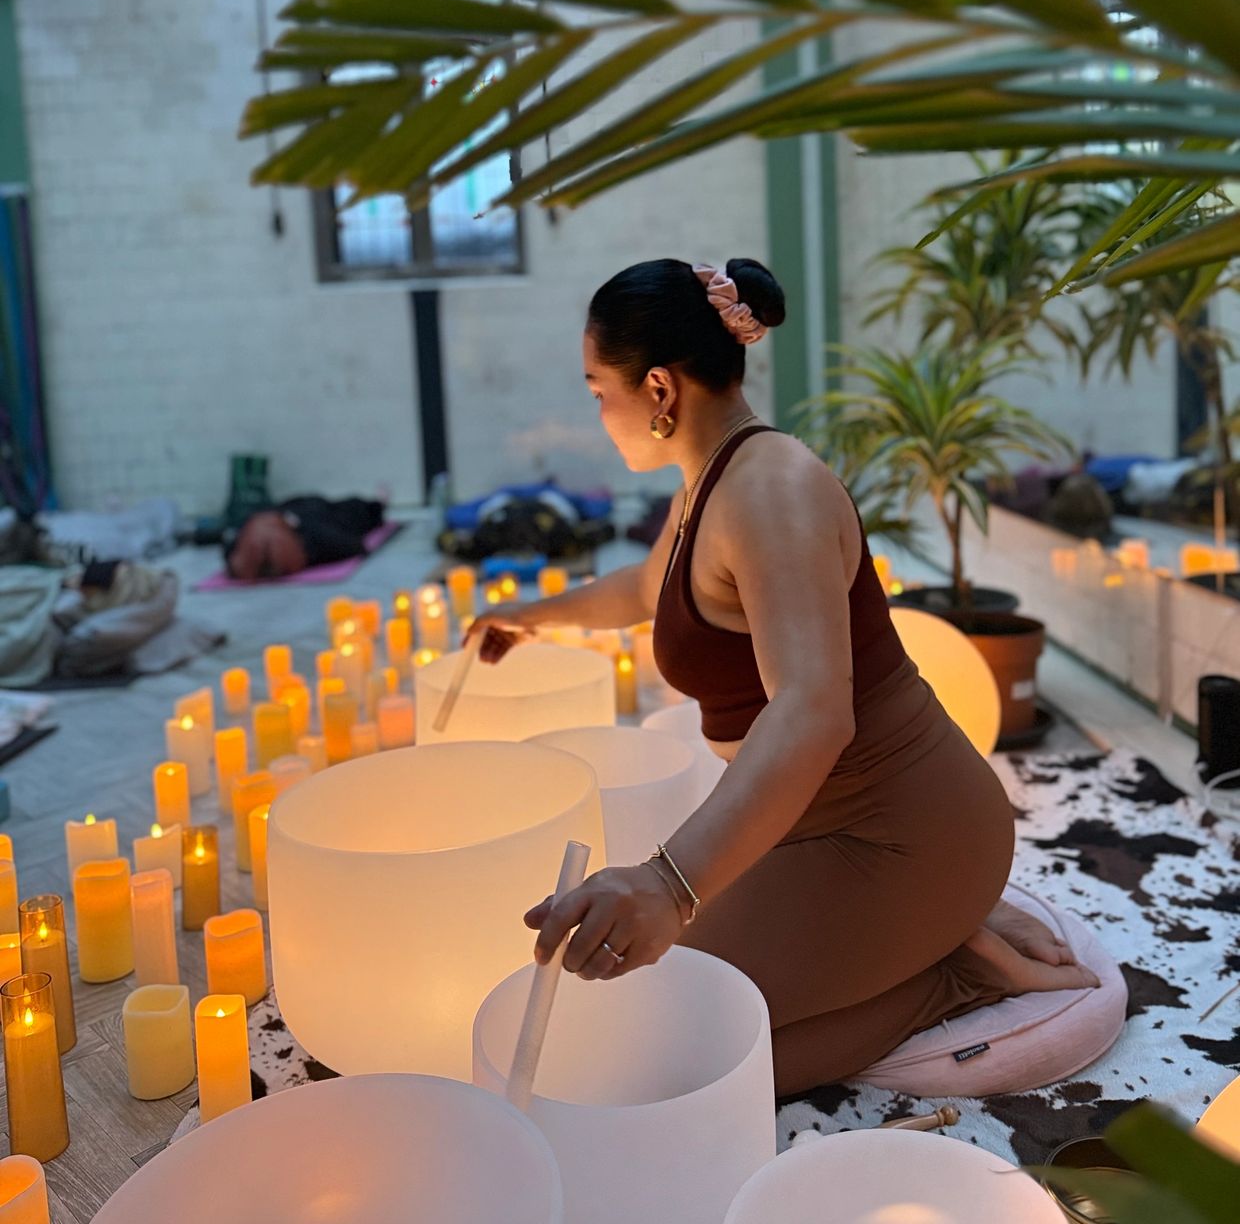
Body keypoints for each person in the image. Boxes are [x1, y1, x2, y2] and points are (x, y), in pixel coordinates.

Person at [473, 258, 1098, 1097]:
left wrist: (666, 884)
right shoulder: (708, 482)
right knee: (645, 1023)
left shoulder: (773, 492)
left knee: (685, 1063)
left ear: (657, 387)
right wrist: (530, 617)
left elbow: (813, 711)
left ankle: (957, 970)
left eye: (597, 391)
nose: (597, 412)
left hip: (908, 835)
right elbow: (647, 588)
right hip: (807, 829)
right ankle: (933, 931)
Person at [223, 496, 385, 581]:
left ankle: (376, 505)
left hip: (296, 515)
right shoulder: (318, 536)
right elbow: (355, 546)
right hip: (302, 520)